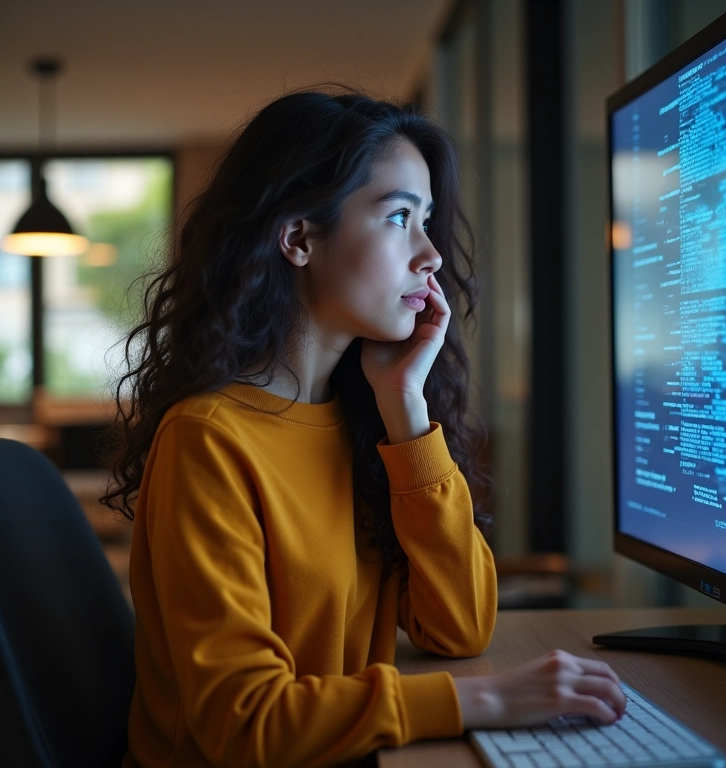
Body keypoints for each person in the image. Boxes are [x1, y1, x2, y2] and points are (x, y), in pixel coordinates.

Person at [102, 87, 626, 768]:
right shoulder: (208, 439)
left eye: (428, 219)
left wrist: (406, 408)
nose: (431, 255)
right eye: (399, 216)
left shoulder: (363, 418)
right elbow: (245, 724)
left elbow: (460, 629)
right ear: (298, 238)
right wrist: (484, 701)